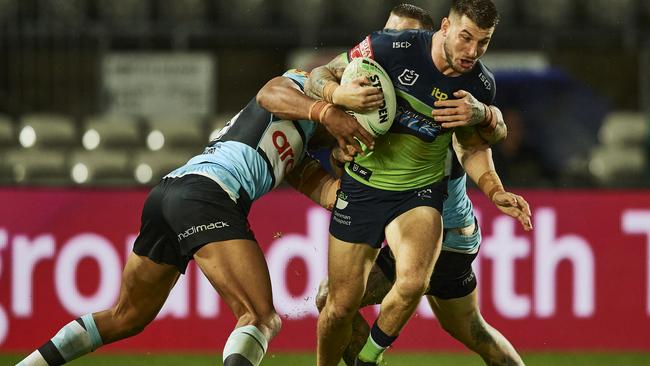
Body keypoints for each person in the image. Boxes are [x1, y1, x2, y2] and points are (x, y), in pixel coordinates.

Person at [16, 69, 372, 366]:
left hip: (170, 193)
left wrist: (354, 169)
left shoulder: (298, 150)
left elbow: (331, 196)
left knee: (127, 317)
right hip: (207, 194)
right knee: (260, 317)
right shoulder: (302, 87)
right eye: (354, 123)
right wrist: (327, 114)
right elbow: (268, 93)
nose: (350, 130)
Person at [294, 5, 528, 365]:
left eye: (482, 43)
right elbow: (323, 78)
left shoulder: (475, 85)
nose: (472, 51)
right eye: (466, 38)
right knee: (339, 304)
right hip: (388, 203)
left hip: (446, 228)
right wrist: (339, 105)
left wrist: (488, 125)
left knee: (377, 293)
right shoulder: (385, 55)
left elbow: (481, 140)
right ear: (446, 29)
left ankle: (369, 358)